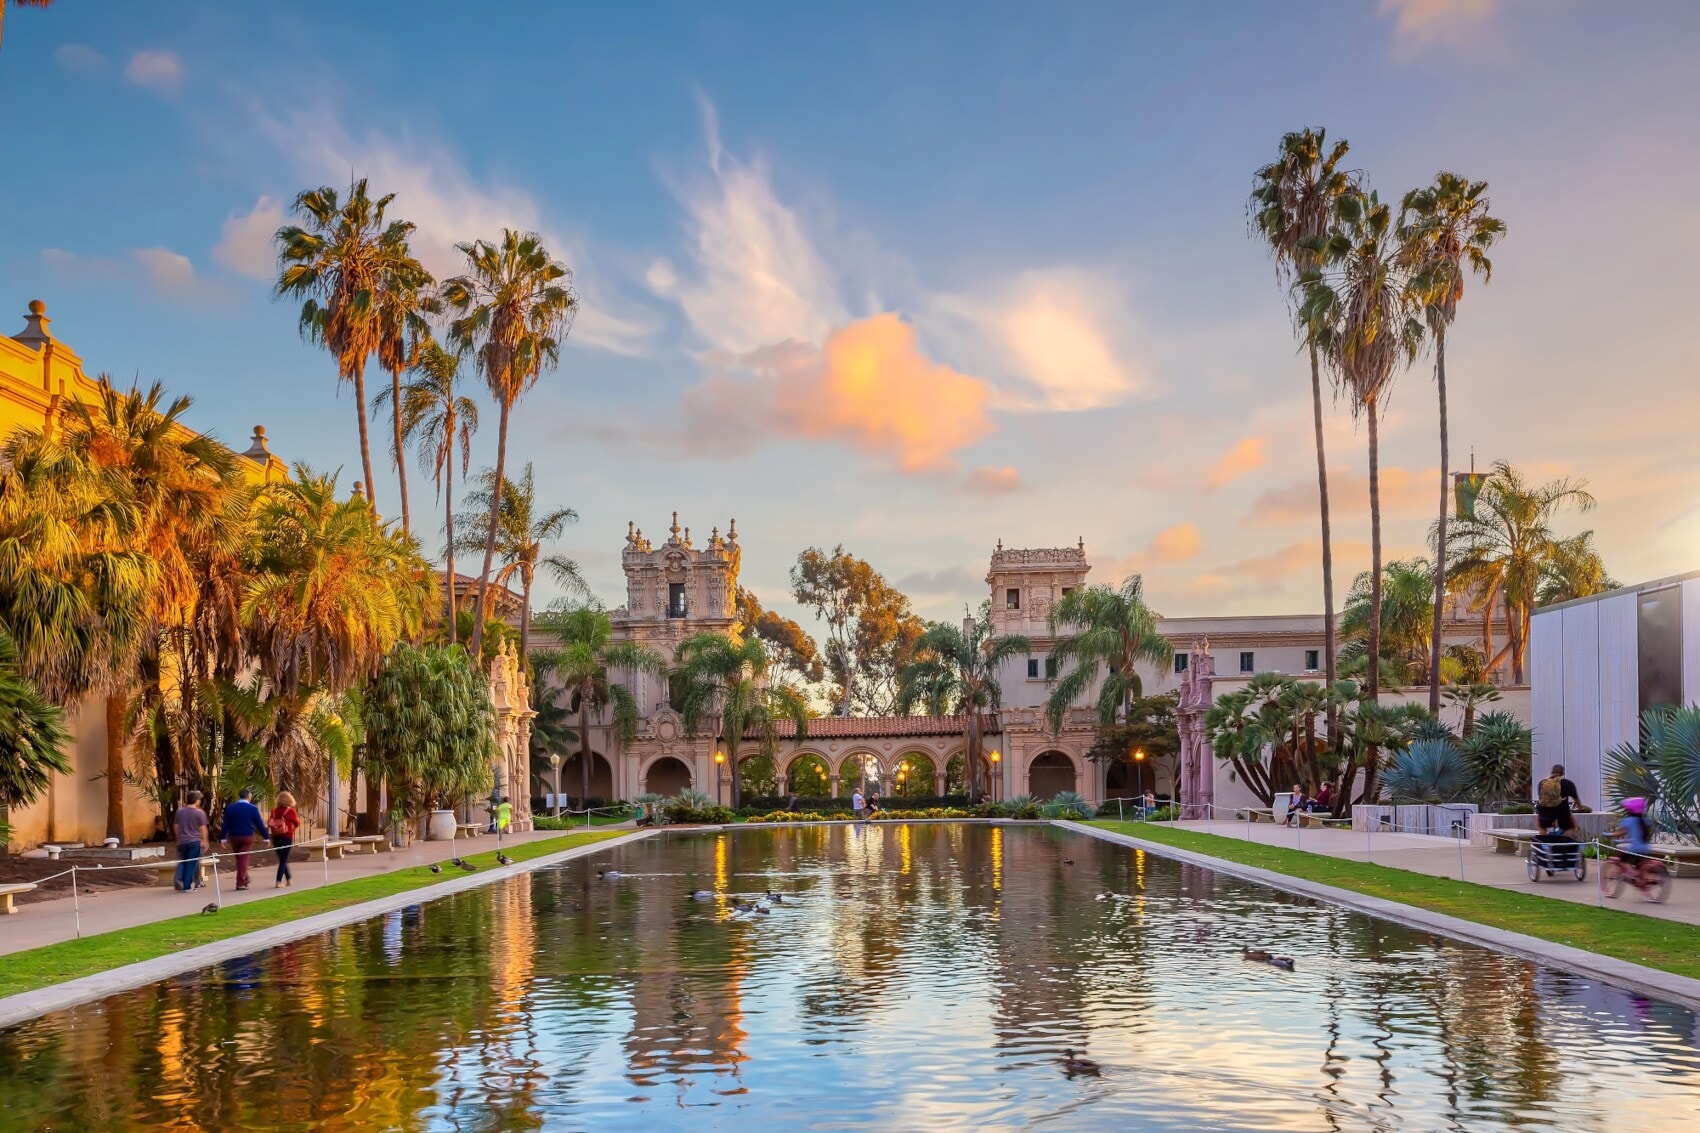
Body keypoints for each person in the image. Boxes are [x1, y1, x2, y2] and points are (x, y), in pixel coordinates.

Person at [220, 787, 268, 891]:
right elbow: (259, 824)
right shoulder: (252, 808)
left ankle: (245, 878)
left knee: (240, 859)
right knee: (242, 859)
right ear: (249, 796)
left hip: (234, 836)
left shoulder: (231, 808)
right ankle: (241, 883)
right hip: (247, 836)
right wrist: (266, 837)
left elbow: (225, 824)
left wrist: (223, 838)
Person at [1609, 797, 1656, 889]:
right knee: (1639, 865)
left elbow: (1620, 832)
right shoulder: (1644, 821)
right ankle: (1642, 881)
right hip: (1645, 849)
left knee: (1617, 859)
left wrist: (1609, 834)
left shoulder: (1629, 820)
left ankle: (1632, 874)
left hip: (1635, 849)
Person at [173, 790, 210, 892]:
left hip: (182, 841)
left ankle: (178, 879)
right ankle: (187, 886)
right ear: (196, 800)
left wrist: (178, 837)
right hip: (194, 841)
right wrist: (204, 841)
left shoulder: (180, 811)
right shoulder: (200, 813)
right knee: (191, 863)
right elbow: (203, 829)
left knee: (182, 861)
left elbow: (176, 826)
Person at [1535, 763, 1581, 836]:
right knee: (1571, 828)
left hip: (1544, 813)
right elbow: (1576, 799)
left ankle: (1542, 840)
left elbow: (1541, 798)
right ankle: (1564, 841)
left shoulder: (1542, 783)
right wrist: (1579, 807)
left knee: (1542, 827)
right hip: (1562, 813)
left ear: (1551, 772)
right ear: (1563, 773)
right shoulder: (1568, 784)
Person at [269, 790, 301, 888]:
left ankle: (289, 879)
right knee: (283, 859)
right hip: (287, 836)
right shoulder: (290, 811)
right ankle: (278, 881)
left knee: (282, 858)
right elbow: (296, 823)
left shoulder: (274, 811)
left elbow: (270, 822)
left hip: (276, 836)